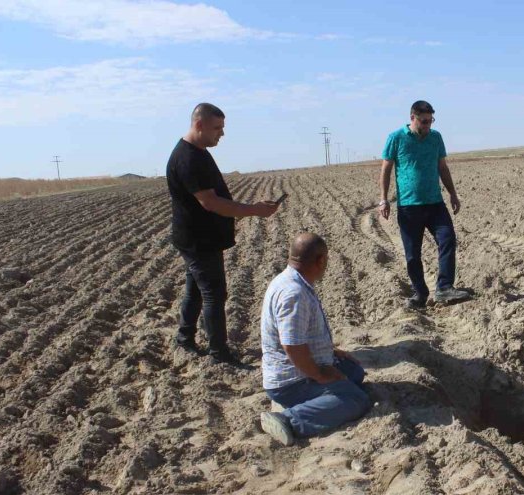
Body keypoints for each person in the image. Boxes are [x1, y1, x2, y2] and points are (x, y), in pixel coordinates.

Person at [166, 102, 279, 365]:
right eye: (217, 128)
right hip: (198, 240)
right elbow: (210, 202)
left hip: (199, 238)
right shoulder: (189, 158)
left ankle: (185, 338)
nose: (222, 134)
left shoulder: (198, 151)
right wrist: (254, 210)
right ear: (199, 125)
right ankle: (219, 353)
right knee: (214, 294)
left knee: (196, 290)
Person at [259, 233, 372, 445]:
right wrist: (319, 375)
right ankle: (288, 419)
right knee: (356, 399)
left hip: (299, 369)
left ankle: (314, 401)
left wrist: (332, 352)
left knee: (353, 371)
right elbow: (292, 345)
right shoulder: (294, 293)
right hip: (291, 381)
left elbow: (299, 335)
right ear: (320, 260)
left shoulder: (290, 280)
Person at [378, 100, 471, 309]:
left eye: (431, 121)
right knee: (413, 254)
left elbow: (442, 167)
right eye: (424, 121)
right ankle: (420, 293)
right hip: (409, 206)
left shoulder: (435, 138)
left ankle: (445, 287)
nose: (428, 125)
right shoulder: (396, 138)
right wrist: (383, 199)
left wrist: (453, 193)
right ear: (413, 118)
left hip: (435, 203)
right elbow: (386, 169)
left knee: (447, 239)